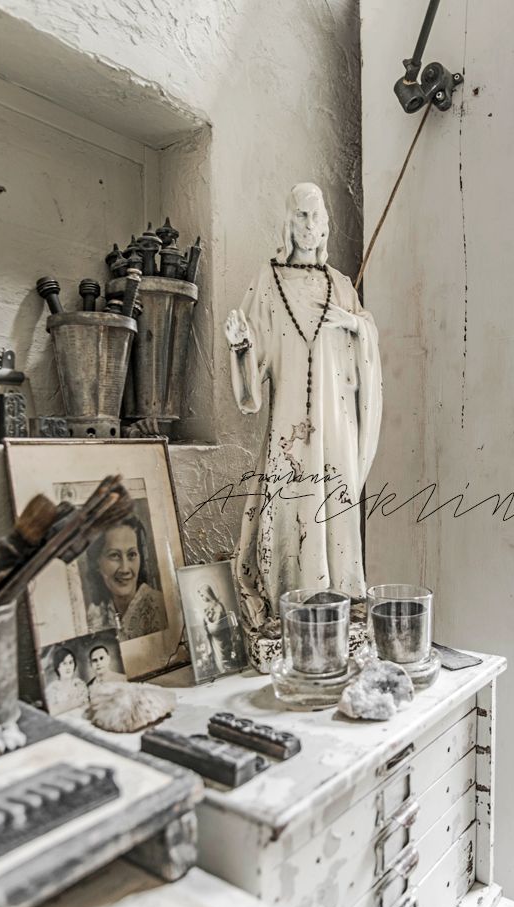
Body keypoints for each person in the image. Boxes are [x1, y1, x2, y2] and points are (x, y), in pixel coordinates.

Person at [224, 182, 382, 627]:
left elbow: (368, 343)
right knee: (291, 497)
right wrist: (241, 346)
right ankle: (288, 603)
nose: (310, 226)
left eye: (318, 217)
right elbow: (254, 352)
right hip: (290, 420)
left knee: (335, 500)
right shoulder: (268, 280)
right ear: (287, 222)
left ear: (327, 224)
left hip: (338, 422)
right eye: (301, 216)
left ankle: (342, 599)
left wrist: (352, 322)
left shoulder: (341, 286)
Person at [84, 514, 167, 641]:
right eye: (114, 555)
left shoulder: (161, 607)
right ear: (97, 563)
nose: (124, 568)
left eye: (132, 554)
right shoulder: (94, 614)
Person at [198, 584, 240, 675]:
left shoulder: (218, 606)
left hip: (221, 639)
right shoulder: (208, 607)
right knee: (217, 662)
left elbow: (217, 627)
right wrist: (205, 621)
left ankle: (227, 674)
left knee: (223, 661)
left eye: (202, 595)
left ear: (207, 593)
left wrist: (207, 621)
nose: (201, 597)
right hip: (213, 640)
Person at [48, 646, 89, 713]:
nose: (68, 667)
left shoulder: (80, 685)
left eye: (71, 662)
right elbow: (53, 712)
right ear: (58, 667)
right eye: (64, 663)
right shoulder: (53, 689)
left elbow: (86, 708)